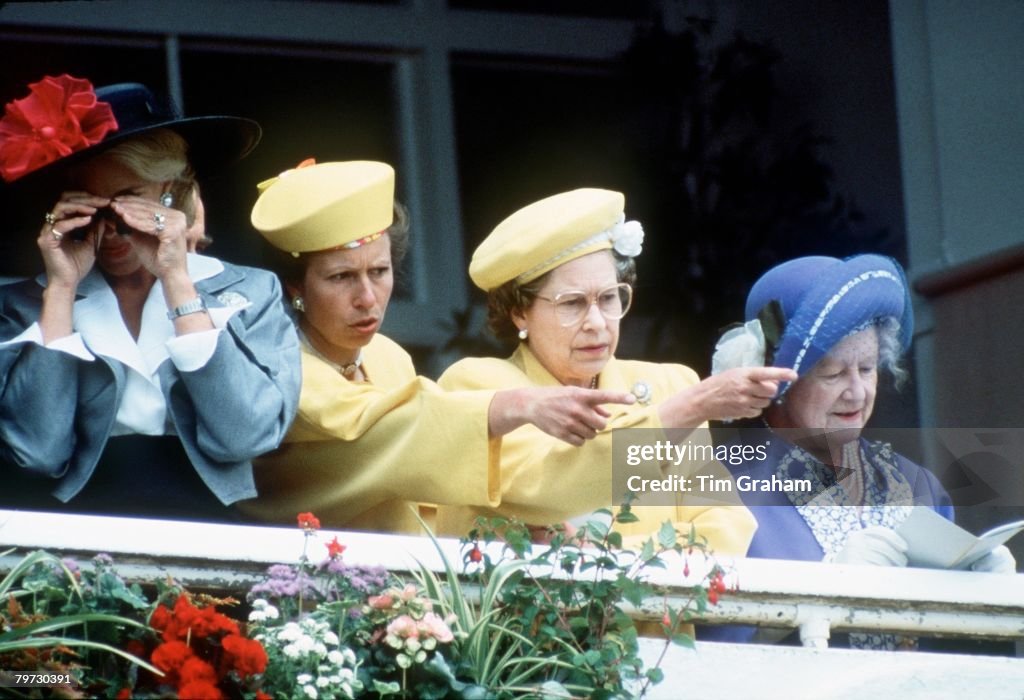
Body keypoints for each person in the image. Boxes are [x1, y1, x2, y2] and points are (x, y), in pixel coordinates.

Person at [238, 160, 637, 533]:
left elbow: (701, 505)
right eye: (341, 277)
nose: (367, 297)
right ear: (519, 312)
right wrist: (675, 422)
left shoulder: (388, 357)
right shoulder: (483, 380)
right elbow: (530, 481)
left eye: (379, 271)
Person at [0, 74, 300, 520]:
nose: (113, 227)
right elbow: (38, 452)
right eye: (94, 205)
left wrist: (177, 278)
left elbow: (246, 436)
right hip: (77, 527)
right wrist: (61, 290)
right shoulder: (26, 305)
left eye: (129, 200)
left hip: (208, 520)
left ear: (172, 193)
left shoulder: (251, 291)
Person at [434, 187, 795, 553]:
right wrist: (693, 406)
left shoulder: (670, 384)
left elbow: (725, 525)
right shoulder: (478, 387)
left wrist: (610, 557)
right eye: (572, 303)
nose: (597, 322)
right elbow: (547, 485)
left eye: (609, 298)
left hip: (665, 611)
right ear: (519, 311)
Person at [703, 254, 1015, 645]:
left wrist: (984, 599)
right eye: (833, 374)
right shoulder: (722, 486)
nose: (857, 392)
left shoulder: (916, 484)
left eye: (867, 369)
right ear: (778, 383)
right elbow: (708, 650)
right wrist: (819, 596)